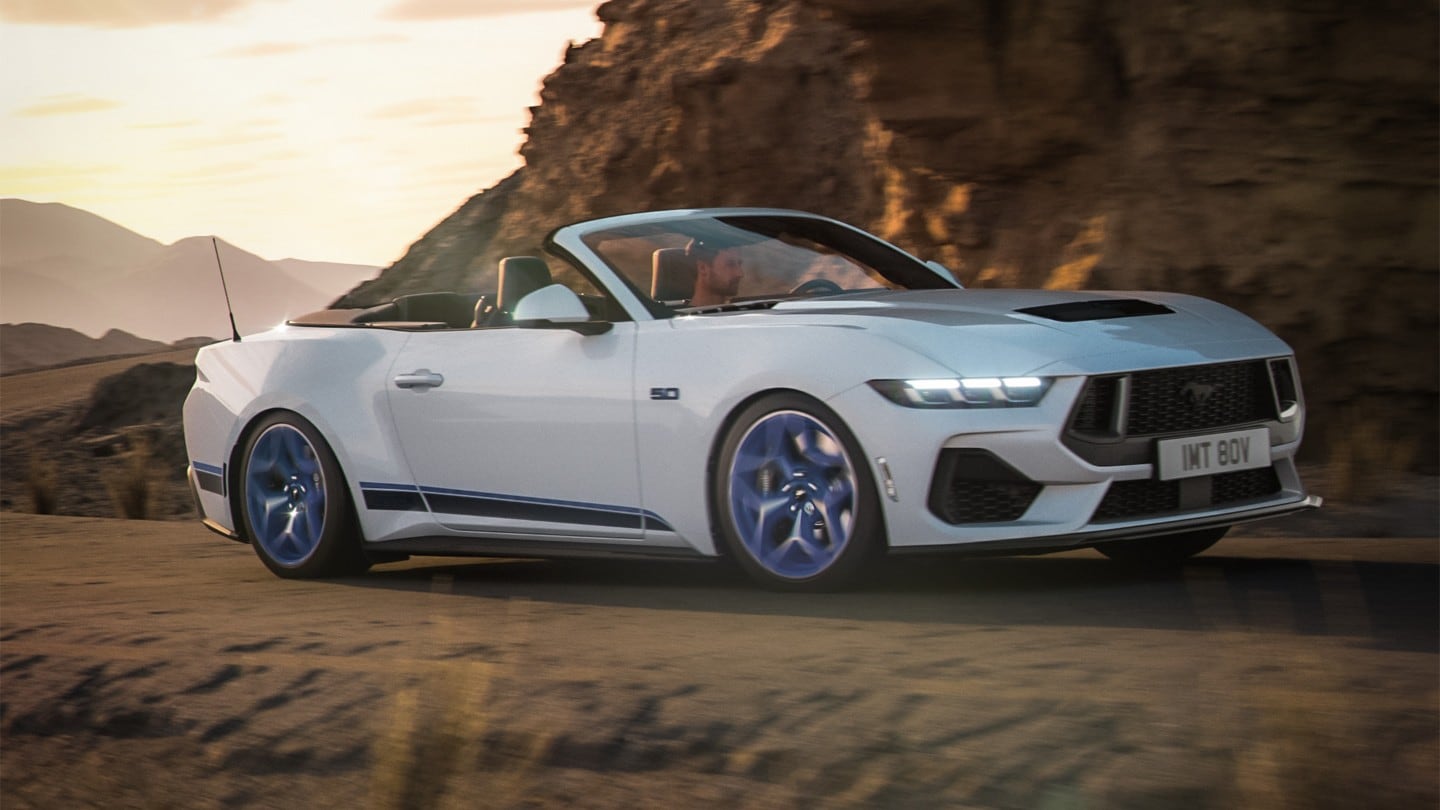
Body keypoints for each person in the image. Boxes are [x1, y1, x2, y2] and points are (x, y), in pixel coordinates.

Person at [686, 238, 744, 307]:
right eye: (730, 264)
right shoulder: (682, 317)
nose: (740, 273)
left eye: (739, 264)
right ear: (703, 268)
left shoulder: (743, 314)